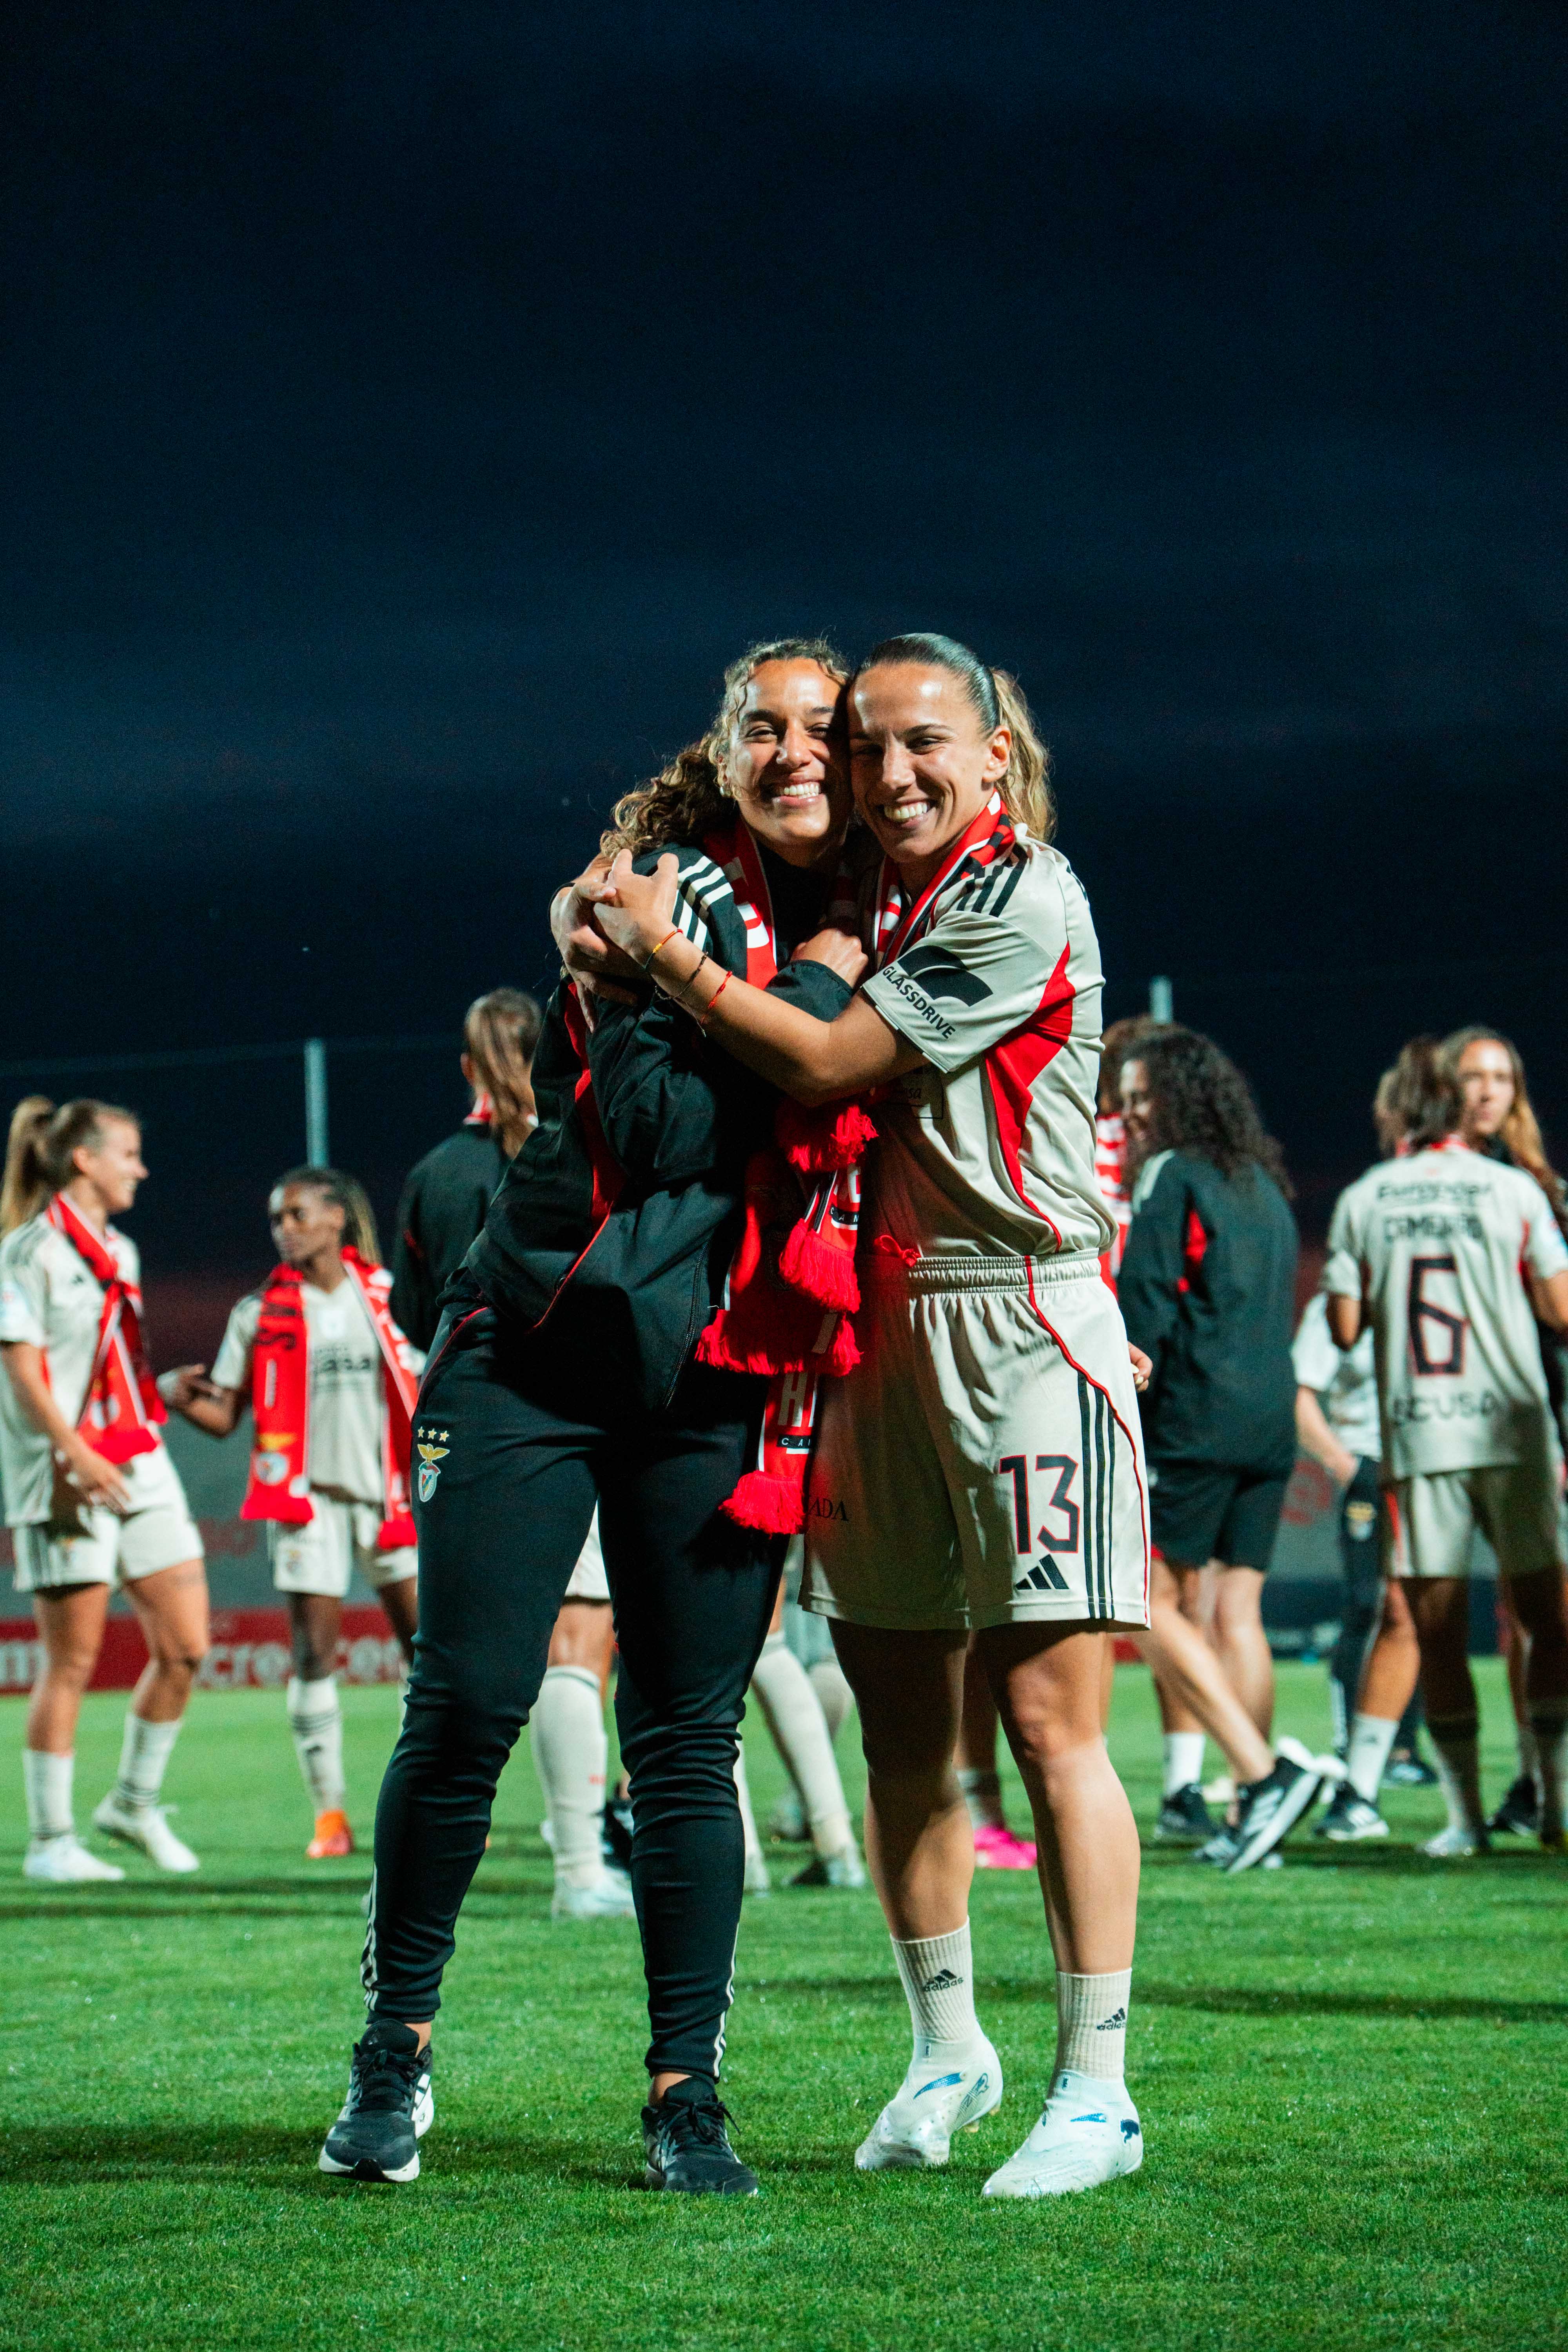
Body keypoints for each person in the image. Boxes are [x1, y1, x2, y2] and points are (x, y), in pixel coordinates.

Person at [591, 631, 1161, 2200]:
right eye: (868, 748)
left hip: (1021, 1323)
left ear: (993, 754)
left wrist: (669, 957)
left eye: (924, 744)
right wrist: (604, 902)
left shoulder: (1018, 892)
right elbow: (646, 865)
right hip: (876, 1342)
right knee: (903, 1730)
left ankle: (1097, 2090)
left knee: (1045, 1725)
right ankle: (945, 2047)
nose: (890, 773)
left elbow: (835, 1056)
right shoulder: (871, 898)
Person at [317, 638, 867, 2196]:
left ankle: (687, 2094)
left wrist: (693, 975)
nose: (794, 750)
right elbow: (659, 1117)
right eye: (762, 725)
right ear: (725, 747)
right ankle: (394, 2047)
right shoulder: (658, 878)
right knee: (467, 1703)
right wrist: (760, 988)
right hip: (536, 1346)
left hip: (722, 1367)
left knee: (687, 1738)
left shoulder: (881, 915)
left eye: (821, 726)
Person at [392, 989, 631, 1921]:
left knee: (463, 1668)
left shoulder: (435, 1173)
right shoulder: (585, 1143)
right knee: (579, 1642)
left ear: (467, 1068)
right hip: (574, 1408)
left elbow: (417, 1312)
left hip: (468, 1414)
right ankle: (580, 1870)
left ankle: (433, 1898)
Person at [1323, 1039, 1568, 1855]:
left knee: (1437, 1633)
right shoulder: (1513, 1190)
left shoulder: (1365, 1197)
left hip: (1421, 1431)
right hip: (1513, 1431)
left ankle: (1465, 1821)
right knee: (1548, 1623)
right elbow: (1560, 1310)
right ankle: (1555, 1806)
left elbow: (1344, 1327)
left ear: (1401, 1114)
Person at [161, 1168, 421, 1859]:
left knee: (426, 1654)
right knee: (311, 1655)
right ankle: (330, 1817)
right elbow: (225, 1415)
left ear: (338, 1218)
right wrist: (173, 1396)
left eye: (298, 1215)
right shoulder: (258, 1313)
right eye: (277, 1219)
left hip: (389, 1496)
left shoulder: (390, 1296)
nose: (285, 1229)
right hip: (307, 1504)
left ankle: (436, 1803)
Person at [1117, 1030, 1327, 1867]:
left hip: (1197, 1416)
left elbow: (1146, 1302)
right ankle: (1254, 1817)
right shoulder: (1263, 1182)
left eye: (1143, 1097)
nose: (1132, 1114)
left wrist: (1123, 1385)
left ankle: (1260, 1775)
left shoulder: (1169, 1174)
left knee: (1146, 1602)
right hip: (1270, 1418)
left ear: (1179, 1097)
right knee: (1239, 1614)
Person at [0, 1097, 209, 1880]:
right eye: (129, 1154)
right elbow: (23, 1372)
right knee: (73, 1660)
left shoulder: (120, 1249)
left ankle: (131, 1803)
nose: (141, 1170)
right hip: (65, 1474)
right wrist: (74, 1454)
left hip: (136, 1457)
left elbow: (105, 1362)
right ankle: (50, 1842)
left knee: (187, 1646)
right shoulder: (27, 1251)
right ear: (85, 1160)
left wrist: (159, 1391)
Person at [1438, 1026, 1568, 1841]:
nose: (1487, 1091)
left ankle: (1543, 1786)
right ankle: (1530, 1783)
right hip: (1467, 1421)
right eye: (1472, 1076)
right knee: (1514, 1615)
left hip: (1537, 1413)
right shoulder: (1426, 1181)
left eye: (1501, 1078)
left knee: (1544, 1614)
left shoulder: (1537, 1186)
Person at [389, 990, 542, 1350]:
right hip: (550, 1378)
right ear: (544, 1058)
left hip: (458, 1373)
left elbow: (409, 1309)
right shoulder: (566, 1157)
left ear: (467, 1067)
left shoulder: (430, 1174)